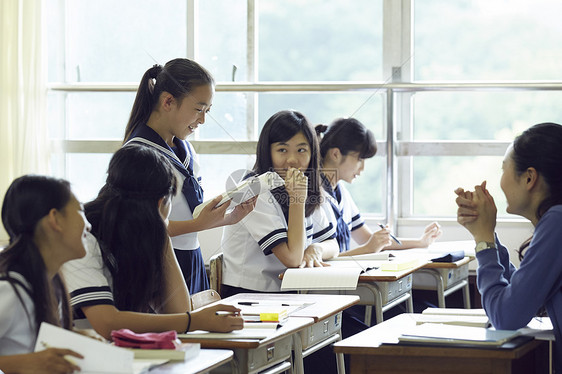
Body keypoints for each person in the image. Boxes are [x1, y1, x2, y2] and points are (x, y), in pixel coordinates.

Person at [62, 145, 244, 340]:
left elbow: (177, 310)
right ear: (161, 202)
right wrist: (194, 321)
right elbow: (107, 323)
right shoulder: (84, 239)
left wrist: (162, 234)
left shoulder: (139, 240)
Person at [122, 58, 254, 294]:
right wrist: (196, 224)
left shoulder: (186, 149)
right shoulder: (138, 154)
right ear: (168, 101)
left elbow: (188, 213)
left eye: (207, 111)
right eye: (198, 109)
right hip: (158, 265)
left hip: (191, 259)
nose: (202, 120)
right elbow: (139, 227)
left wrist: (229, 218)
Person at [455, 122, 562, 372]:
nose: (500, 181)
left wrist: (484, 243)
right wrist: (486, 235)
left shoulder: (557, 221)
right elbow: (523, 293)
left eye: (504, 169)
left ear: (529, 178)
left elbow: (506, 316)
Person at [221, 110, 339, 296]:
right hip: (249, 296)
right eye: (282, 150)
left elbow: (333, 244)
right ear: (267, 152)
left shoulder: (305, 184)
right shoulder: (252, 190)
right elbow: (292, 259)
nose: (292, 160)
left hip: (287, 292)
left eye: (301, 150)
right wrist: (297, 199)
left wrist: (316, 248)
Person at [0, 175, 88, 373]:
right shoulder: (10, 290)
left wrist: (72, 340)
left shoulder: (50, 281)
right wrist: (21, 364)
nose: (88, 225)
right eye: (81, 212)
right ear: (55, 219)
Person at [316, 117, 441, 255]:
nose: (362, 168)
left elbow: (367, 239)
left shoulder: (341, 193)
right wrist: (368, 248)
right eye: (359, 159)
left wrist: (420, 242)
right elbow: (319, 260)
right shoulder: (313, 195)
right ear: (335, 154)